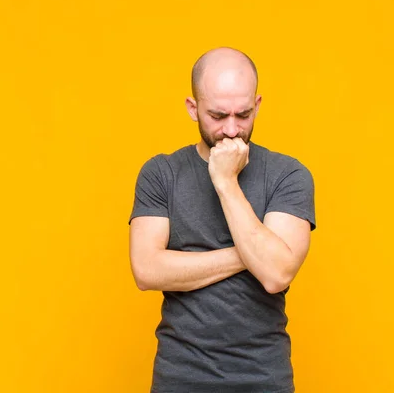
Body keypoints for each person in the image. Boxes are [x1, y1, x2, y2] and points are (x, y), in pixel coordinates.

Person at [128, 47, 316, 393]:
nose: (231, 130)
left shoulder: (288, 175)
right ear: (193, 108)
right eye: (217, 115)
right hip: (179, 378)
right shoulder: (161, 173)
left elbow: (275, 275)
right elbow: (147, 270)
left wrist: (226, 182)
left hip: (264, 379)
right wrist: (248, 255)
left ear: (257, 105)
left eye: (243, 115)